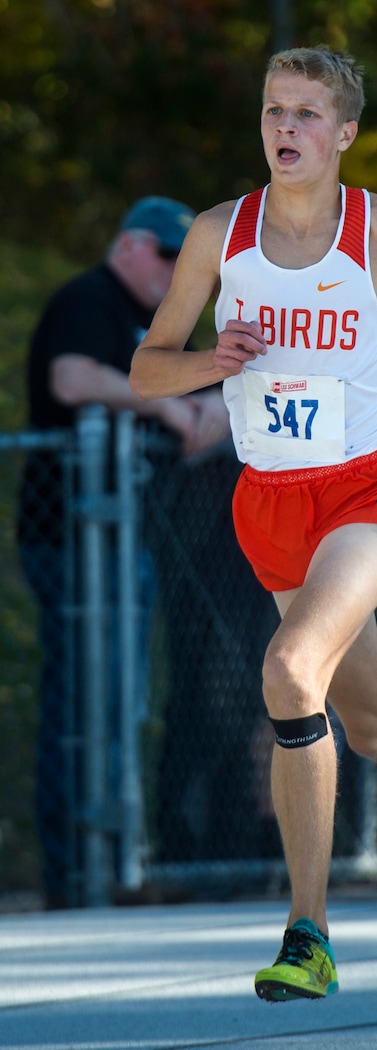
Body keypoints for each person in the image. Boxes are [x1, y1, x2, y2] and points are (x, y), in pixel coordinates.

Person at [129, 46, 377, 1001]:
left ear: (343, 134)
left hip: (375, 489)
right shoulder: (221, 235)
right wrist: (212, 362)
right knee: (374, 727)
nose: (285, 128)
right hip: (273, 501)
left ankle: (309, 934)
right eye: (272, 111)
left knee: (291, 669)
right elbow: (146, 368)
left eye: (305, 113)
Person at [16, 196, 228, 907]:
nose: (177, 270)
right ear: (130, 245)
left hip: (127, 542)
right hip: (71, 540)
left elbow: (226, 393)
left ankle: (109, 862)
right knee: (83, 705)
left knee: (121, 703)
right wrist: (161, 400)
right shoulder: (90, 298)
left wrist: (207, 410)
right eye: (169, 255)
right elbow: (72, 379)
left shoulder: (162, 323)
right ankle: (75, 874)